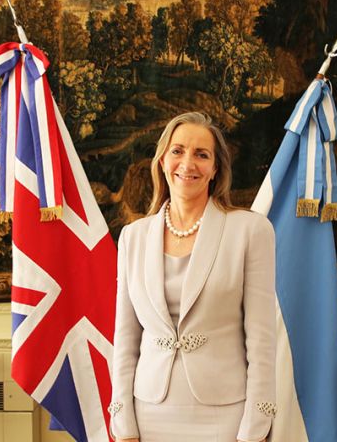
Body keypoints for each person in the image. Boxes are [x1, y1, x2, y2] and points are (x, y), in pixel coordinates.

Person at [108, 112, 276, 442]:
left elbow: (262, 341)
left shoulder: (251, 230)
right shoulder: (133, 237)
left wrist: (254, 430)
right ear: (162, 161)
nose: (188, 163)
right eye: (178, 150)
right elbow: (125, 340)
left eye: (202, 154)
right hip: (149, 414)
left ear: (216, 169)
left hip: (226, 415)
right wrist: (123, 425)